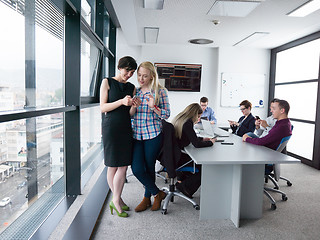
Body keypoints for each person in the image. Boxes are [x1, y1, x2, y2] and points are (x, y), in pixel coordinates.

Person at [100, 56, 138, 218]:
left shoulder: (132, 87)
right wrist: (121, 102)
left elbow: (129, 114)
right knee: (113, 166)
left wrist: (133, 107)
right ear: (119, 67)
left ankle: (116, 199)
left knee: (123, 165)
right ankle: (117, 200)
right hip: (111, 128)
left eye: (132, 72)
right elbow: (103, 107)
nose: (129, 74)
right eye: (127, 70)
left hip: (125, 128)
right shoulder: (107, 82)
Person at [130, 61, 170, 212]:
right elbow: (131, 116)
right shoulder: (136, 91)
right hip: (137, 134)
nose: (141, 78)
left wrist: (154, 107)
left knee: (149, 167)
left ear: (152, 76)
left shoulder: (160, 91)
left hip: (153, 134)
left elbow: (166, 114)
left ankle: (146, 198)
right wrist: (133, 107)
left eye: (145, 76)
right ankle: (157, 193)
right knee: (137, 168)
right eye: (139, 75)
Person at [172, 103, 216, 198]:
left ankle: (184, 181)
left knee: (201, 166)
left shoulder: (180, 119)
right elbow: (196, 144)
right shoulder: (188, 123)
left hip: (174, 155)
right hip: (179, 157)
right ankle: (184, 187)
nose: (198, 119)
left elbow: (189, 137)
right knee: (205, 167)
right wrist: (211, 142)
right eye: (198, 116)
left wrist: (201, 139)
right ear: (194, 114)